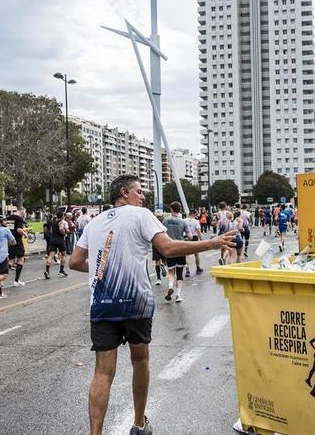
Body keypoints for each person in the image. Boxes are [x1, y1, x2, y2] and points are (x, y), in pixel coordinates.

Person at [68, 174, 236, 435]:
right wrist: (212, 242)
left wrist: (104, 269)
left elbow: (75, 262)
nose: (142, 196)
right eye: (138, 191)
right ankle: (138, 424)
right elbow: (167, 248)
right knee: (140, 361)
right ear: (124, 192)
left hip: (102, 304)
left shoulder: (95, 222)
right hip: (135, 302)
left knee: (102, 373)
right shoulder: (141, 214)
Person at [162, 202, 189, 303]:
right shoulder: (183, 222)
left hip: (170, 249)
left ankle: (170, 286)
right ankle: (178, 295)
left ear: (171, 209)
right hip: (180, 249)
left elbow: (162, 234)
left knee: (171, 271)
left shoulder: (165, 221)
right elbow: (190, 236)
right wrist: (184, 240)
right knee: (180, 273)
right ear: (180, 209)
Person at [5, 207, 28, 286]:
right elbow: (19, 230)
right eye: (24, 212)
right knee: (20, 260)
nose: (25, 214)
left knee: (11, 261)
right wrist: (25, 234)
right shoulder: (19, 219)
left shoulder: (8, 218)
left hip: (9, 242)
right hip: (17, 241)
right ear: (21, 211)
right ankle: (16, 280)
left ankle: (0, 273)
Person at [45, 211, 68, 279]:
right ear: (62, 216)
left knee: (51, 255)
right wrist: (64, 233)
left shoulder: (53, 222)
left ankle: (47, 271)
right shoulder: (62, 222)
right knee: (63, 254)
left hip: (52, 239)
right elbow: (61, 228)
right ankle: (61, 270)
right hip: (59, 239)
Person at [186, 209, 203, 275]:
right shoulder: (196, 221)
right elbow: (198, 231)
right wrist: (201, 239)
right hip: (194, 237)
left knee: (187, 255)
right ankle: (198, 268)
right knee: (196, 254)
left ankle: (187, 270)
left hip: (186, 237)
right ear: (194, 214)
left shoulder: (184, 220)